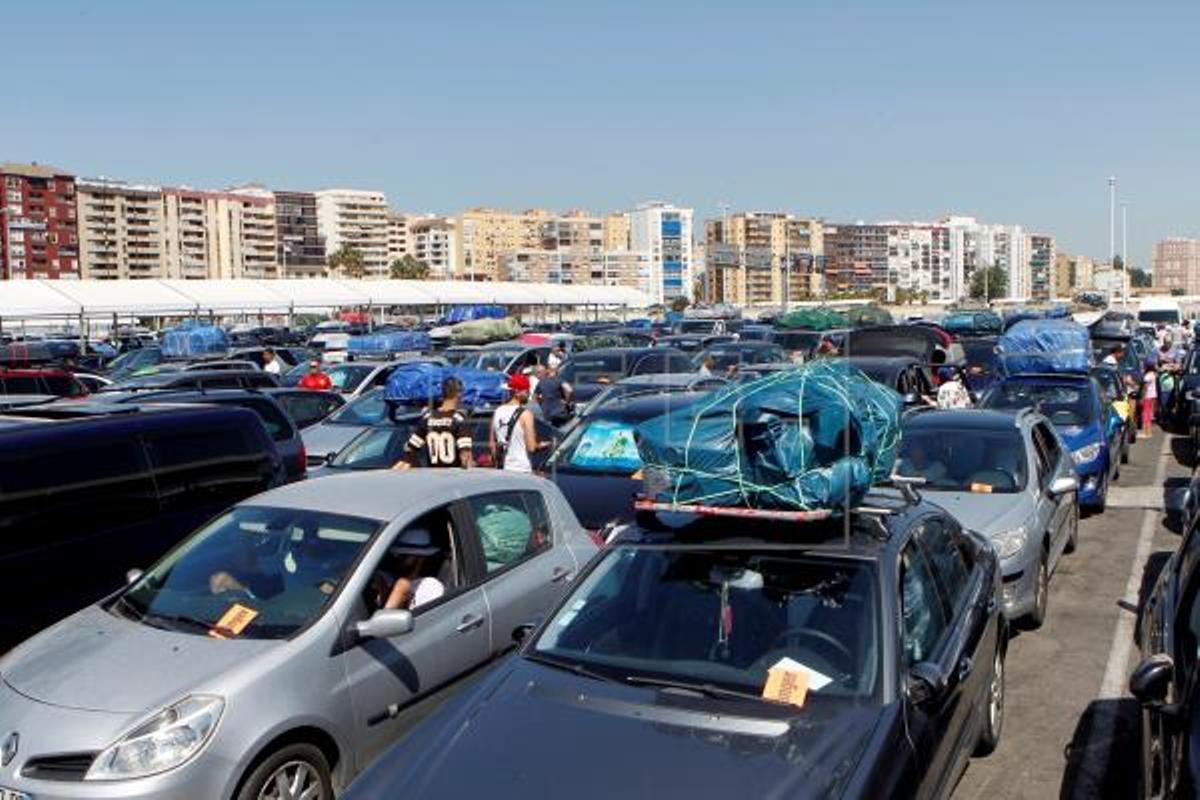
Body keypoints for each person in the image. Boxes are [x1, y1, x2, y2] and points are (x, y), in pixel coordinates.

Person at [395, 376, 473, 469]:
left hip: (433, 476)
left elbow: (410, 448)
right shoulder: (459, 419)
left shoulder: (428, 418)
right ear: (458, 394)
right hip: (454, 477)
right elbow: (465, 456)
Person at [491, 373, 551, 473]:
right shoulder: (526, 414)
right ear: (517, 392)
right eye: (527, 391)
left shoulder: (497, 411)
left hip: (503, 469)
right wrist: (545, 444)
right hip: (521, 468)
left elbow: (492, 445)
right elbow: (531, 447)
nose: (528, 395)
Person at [381, 528, 446, 611]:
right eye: (396, 554)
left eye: (404, 555)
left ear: (420, 558)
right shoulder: (385, 578)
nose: (397, 558)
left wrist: (400, 591)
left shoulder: (429, 586)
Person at [1142, 361, 1158, 434]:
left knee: (1146, 412)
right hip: (1153, 394)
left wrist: (1143, 395)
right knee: (1149, 412)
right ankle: (1148, 431)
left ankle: (1146, 431)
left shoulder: (1147, 376)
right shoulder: (1153, 374)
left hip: (1148, 395)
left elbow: (1145, 387)